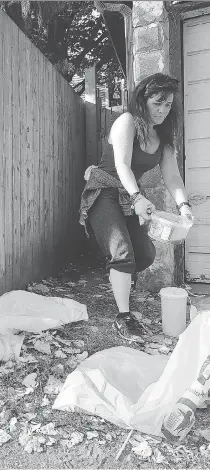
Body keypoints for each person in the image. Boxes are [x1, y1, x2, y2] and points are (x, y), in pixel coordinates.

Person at [80, 73, 194, 343]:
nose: (163, 111)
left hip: (129, 195)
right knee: (122, 253)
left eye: (168, 105)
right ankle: (124, 317)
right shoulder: (127, 121)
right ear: (143, 100)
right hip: (105, 190)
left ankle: (115, 268)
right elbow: (122, 165)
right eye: (157, 103)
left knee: (144, 255)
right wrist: (137, 197)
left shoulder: (164, 137)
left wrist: (184, 206)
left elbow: (173, 177)